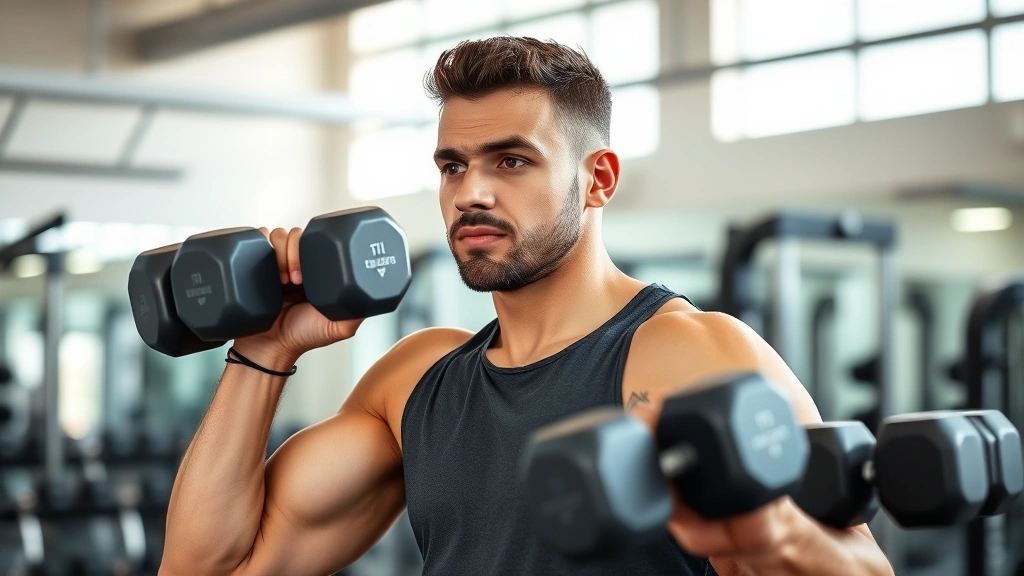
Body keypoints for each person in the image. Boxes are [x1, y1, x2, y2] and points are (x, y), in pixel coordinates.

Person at [160, 37, 894, 576]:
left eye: (510, 161)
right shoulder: (418, 379)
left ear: (598, 180)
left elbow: (863, 568)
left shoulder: (689, 354)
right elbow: (207, 569)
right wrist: (266, 348)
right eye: (453, 165)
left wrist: (770, 537)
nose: (470, 191)